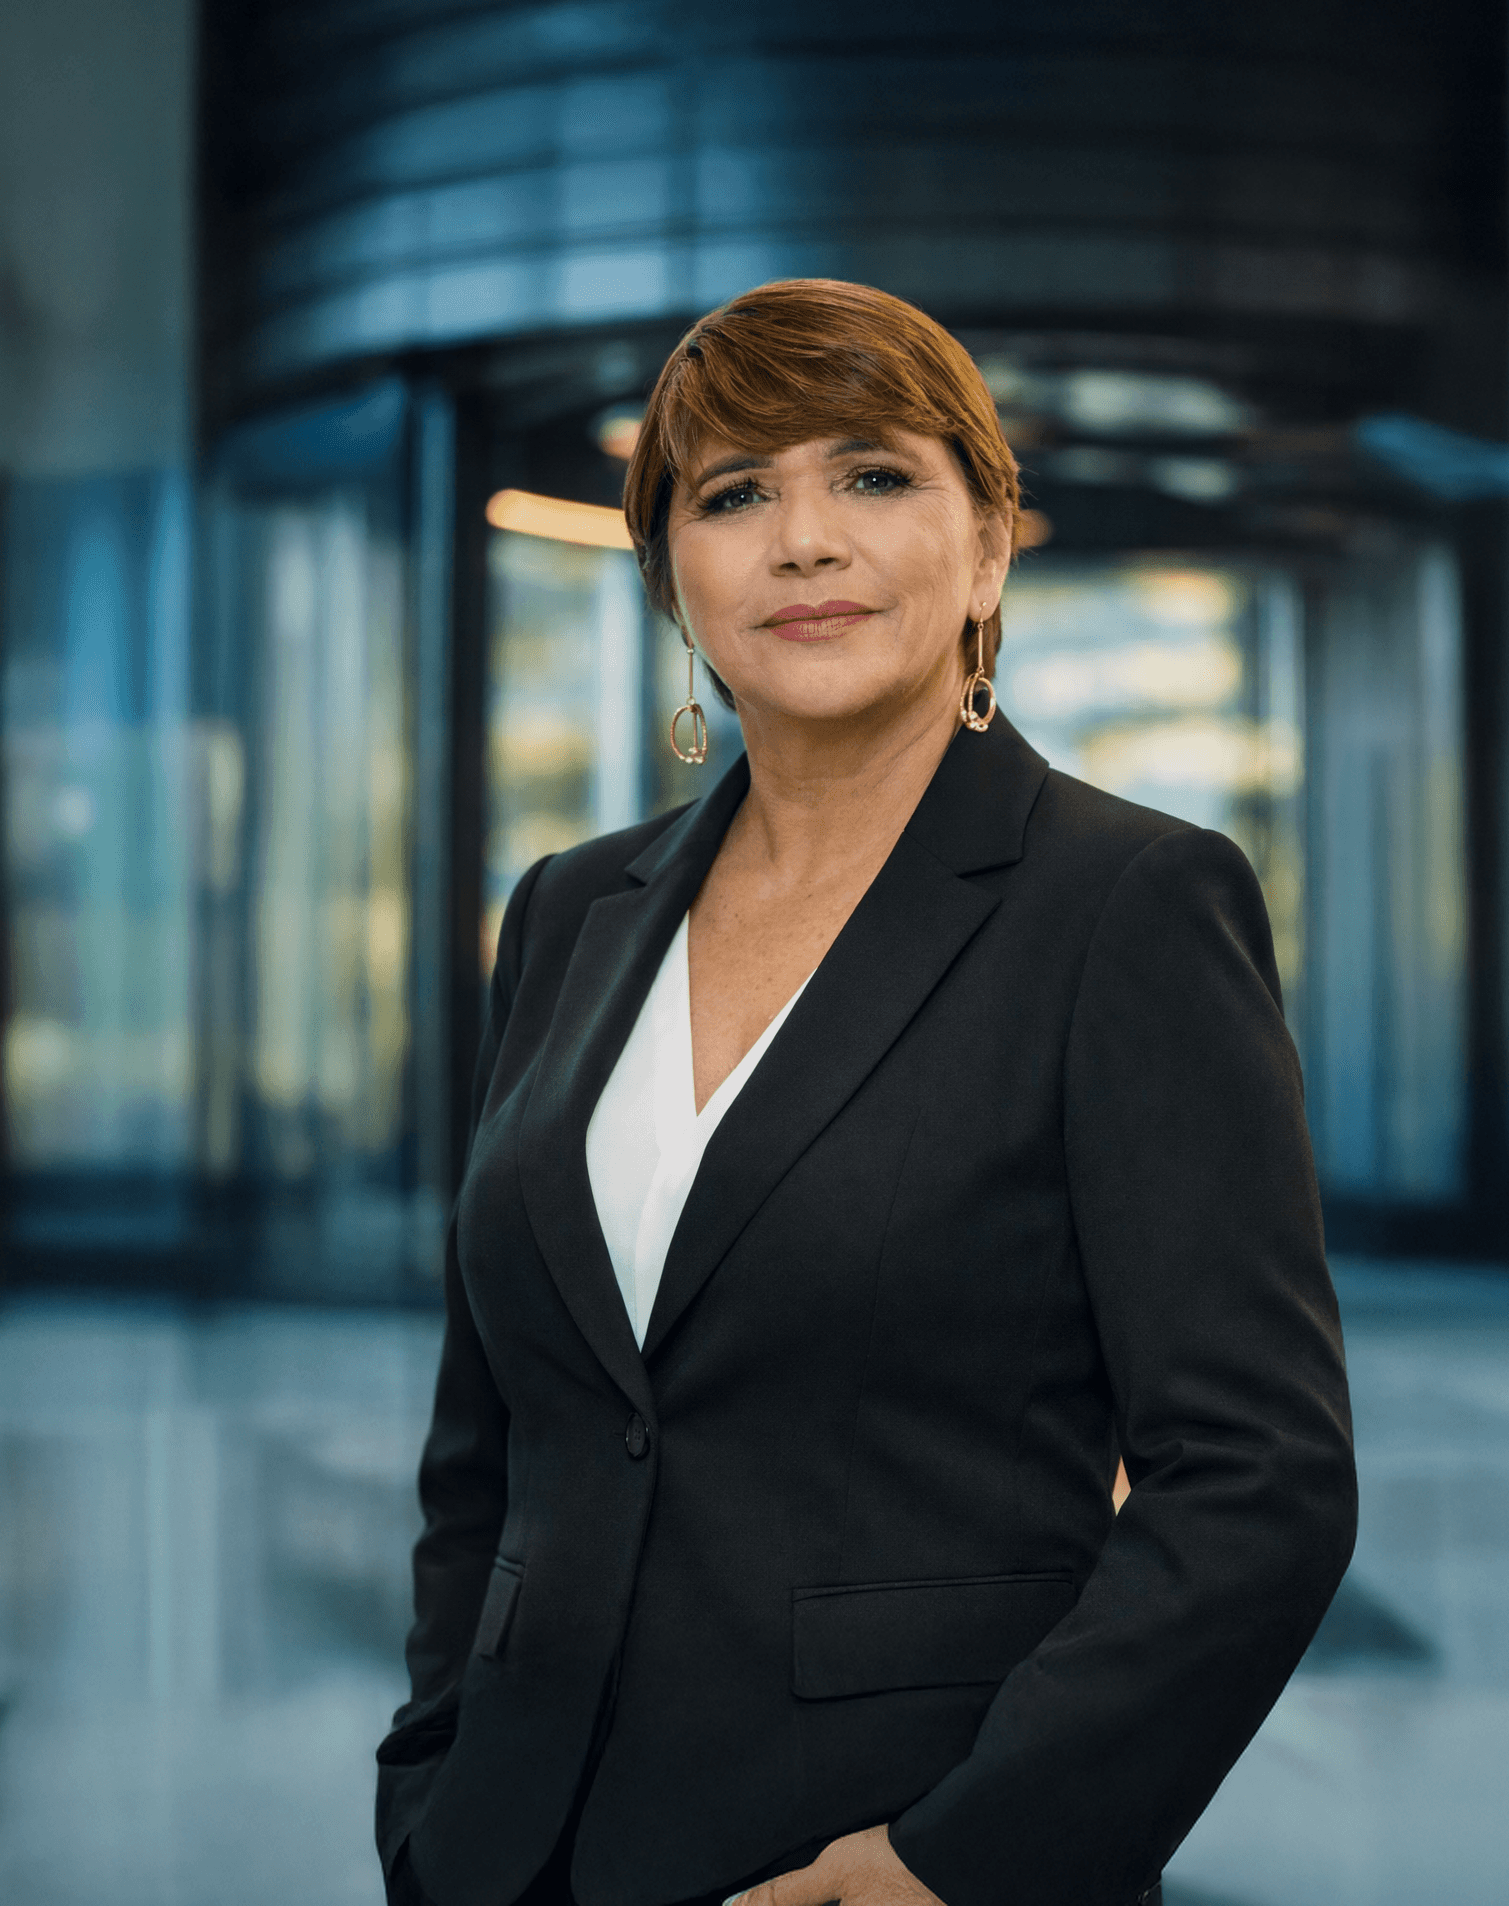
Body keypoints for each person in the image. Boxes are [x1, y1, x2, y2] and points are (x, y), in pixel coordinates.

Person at [376, 279, 1357, 1906]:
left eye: (873, 475)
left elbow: (1261, 1480)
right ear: (676, 578)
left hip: (879, 1850)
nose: (802, 539)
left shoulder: (1127, 906)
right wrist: (431, 1773)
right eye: (734, 493)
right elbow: (494, 1429)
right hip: (509, 1851)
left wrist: (959, 1861)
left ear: (988, 549)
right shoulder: (568, 909)